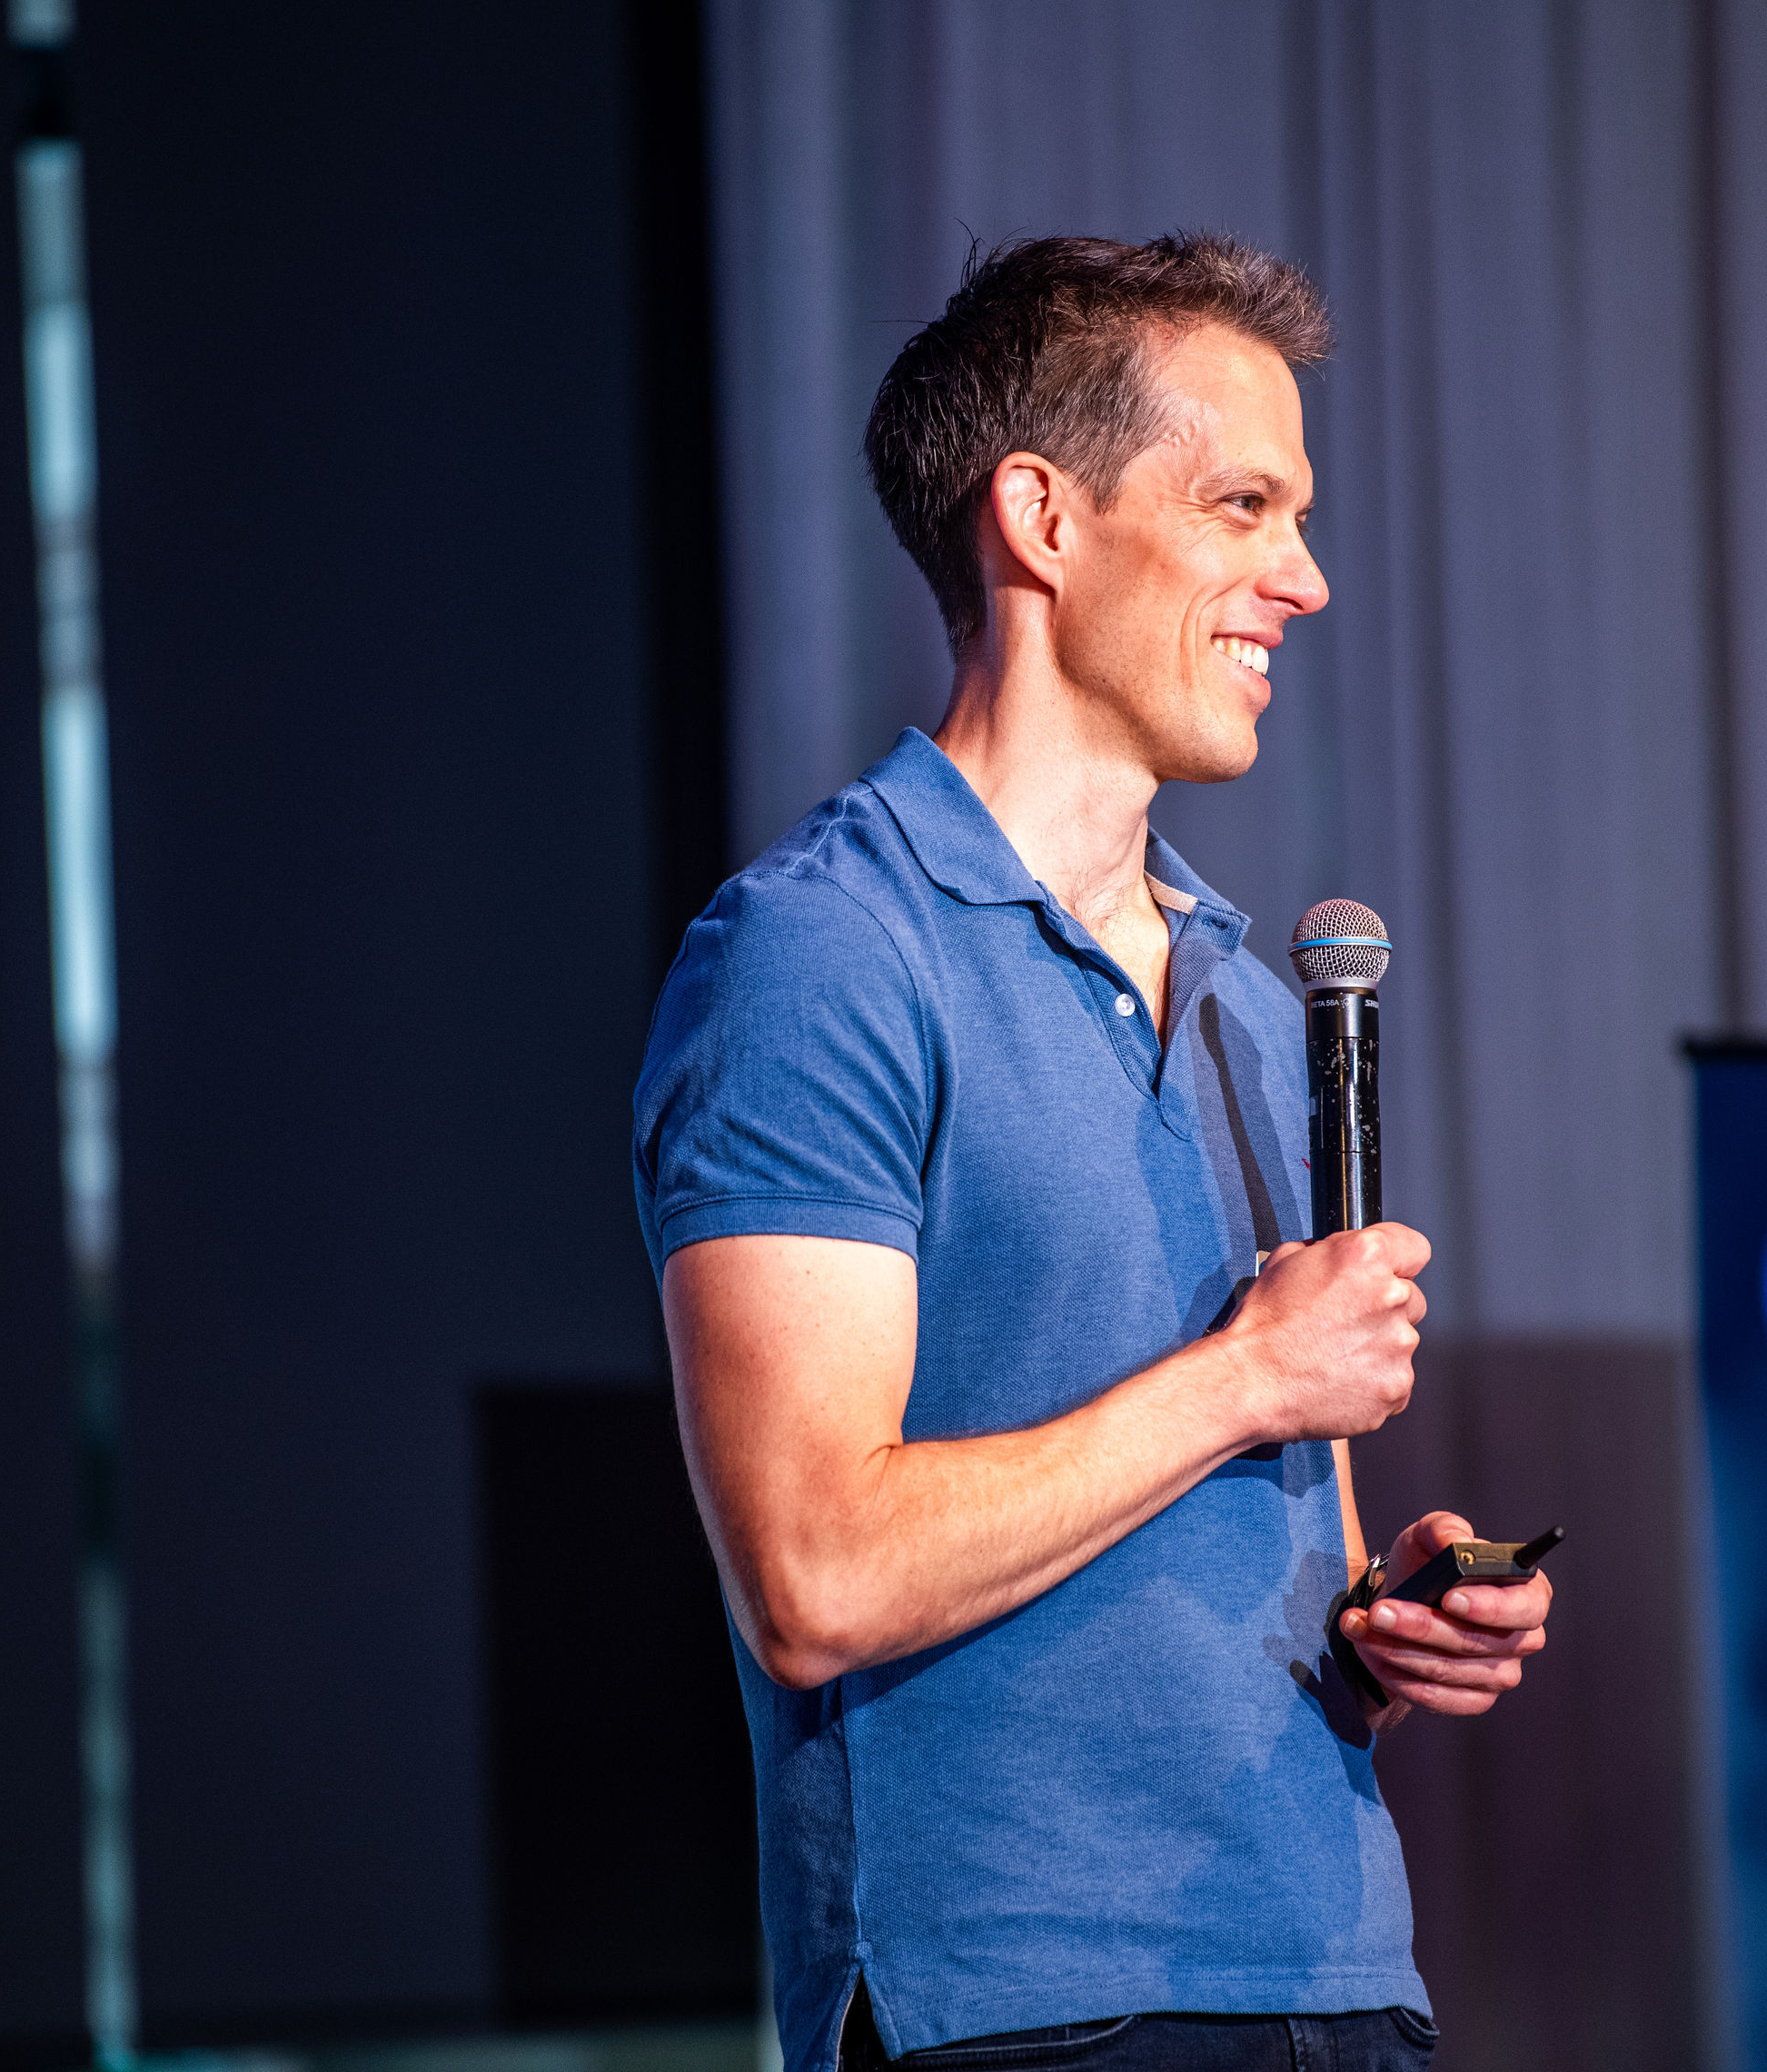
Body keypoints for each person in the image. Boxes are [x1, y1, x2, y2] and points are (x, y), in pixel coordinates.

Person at [634, 233, 1554, 2072]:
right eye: (1242, 506)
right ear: (1040, 518)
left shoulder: (1247, 991)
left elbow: (1273, 1546)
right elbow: (813, 1573)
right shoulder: (824, 950)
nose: (1301, 577)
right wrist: (1241, 1383)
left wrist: (1386, 1630)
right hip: (1027, 2008)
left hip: (1333, 1979)